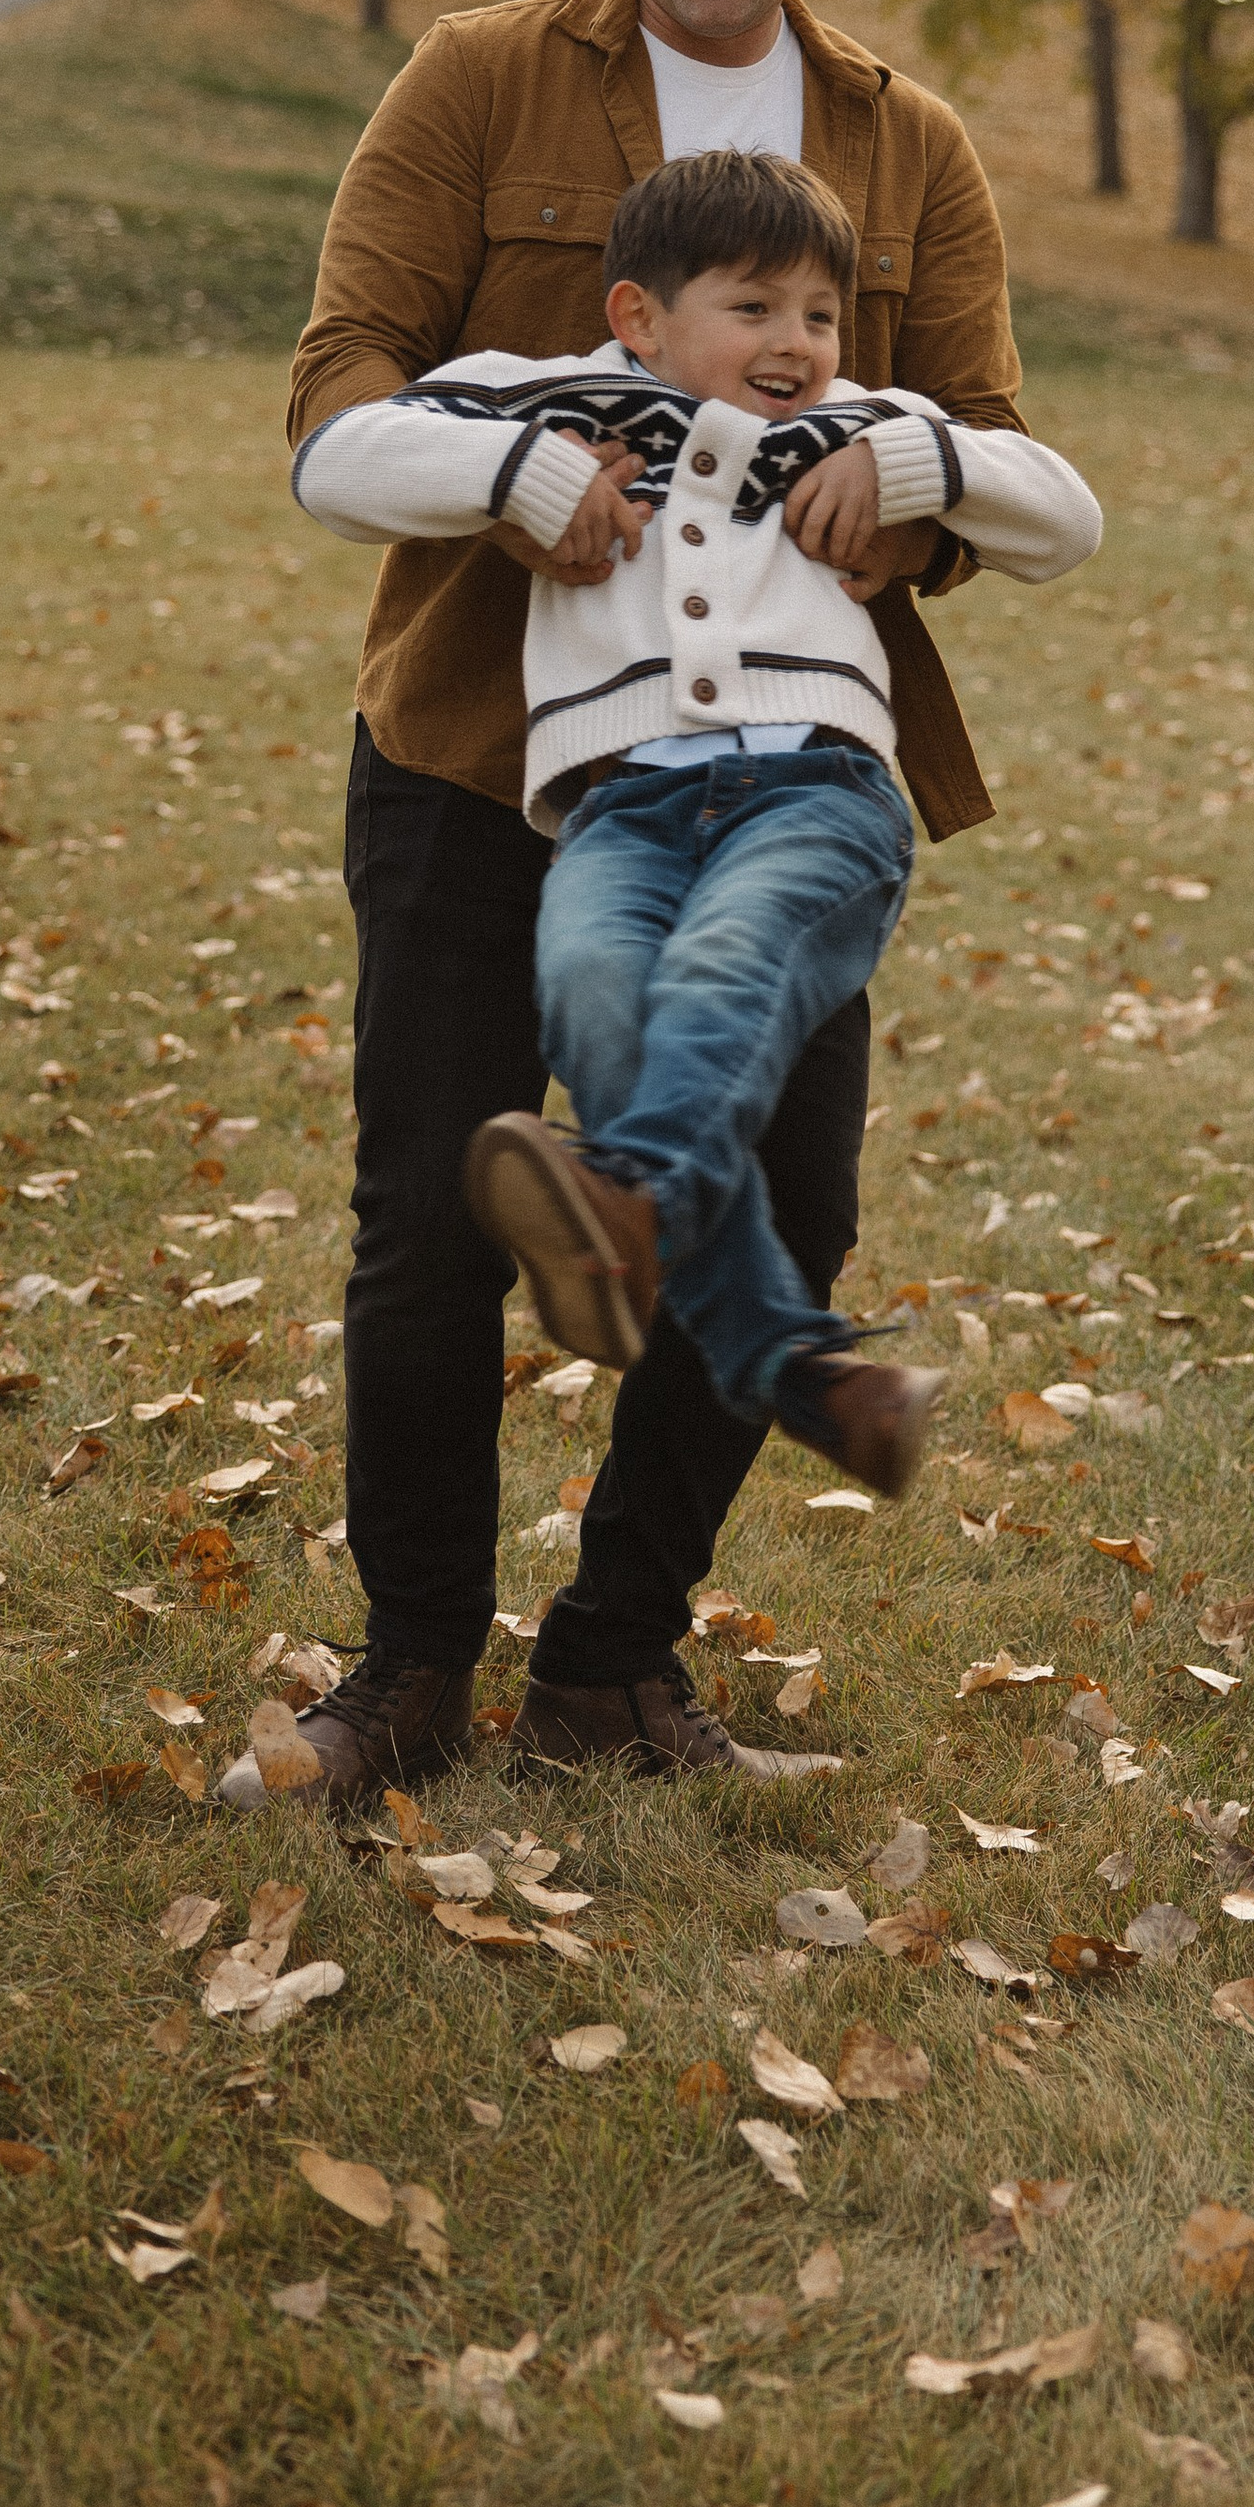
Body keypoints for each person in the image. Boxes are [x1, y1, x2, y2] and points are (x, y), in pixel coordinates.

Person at [283, 0, 1031, 1805]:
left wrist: (909, 501)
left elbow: (984, 444)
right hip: (469, 749)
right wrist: (511, 481)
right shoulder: (475, 80)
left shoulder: (906, 144)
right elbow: (337, 390)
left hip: (785, 775)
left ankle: (612, 1668)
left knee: (779, 1200)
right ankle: (410, 1670)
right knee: (431, 1218)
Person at [293, 149, 1100, 1503]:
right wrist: (524, 480)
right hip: (621, 809)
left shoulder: (866, 420)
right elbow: (338, 463)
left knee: (727, 970)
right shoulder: (549, 398)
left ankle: (631, 1198)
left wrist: (909, 462)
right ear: (637, 318)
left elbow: (1065, 518)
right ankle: (810, 1377)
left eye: (820, 315)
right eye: (754, 307)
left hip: (816, 792)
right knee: (595, 1000)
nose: (797, 343)